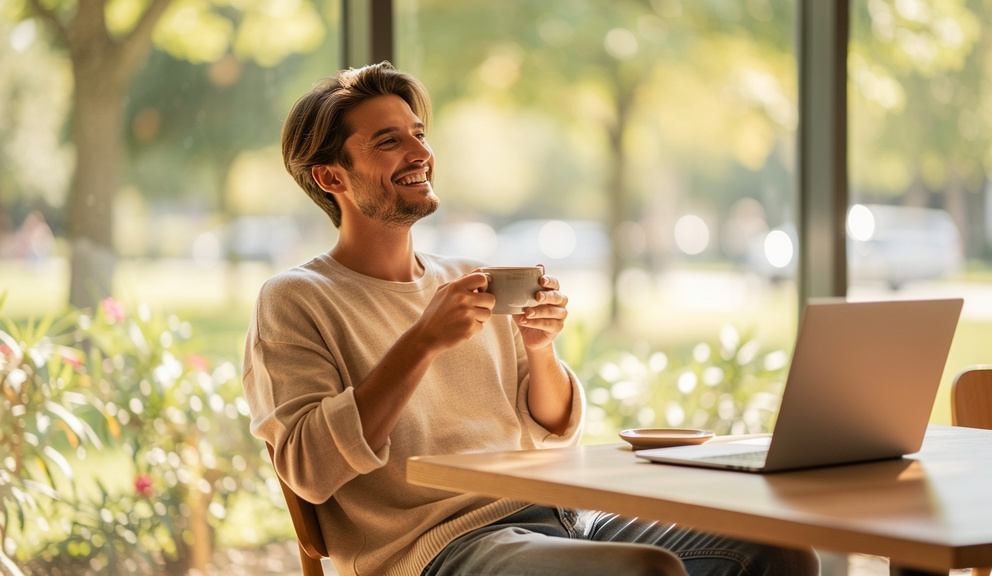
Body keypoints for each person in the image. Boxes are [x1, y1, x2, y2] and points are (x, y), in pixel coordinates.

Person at [242, 61, 818, 576]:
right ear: (331, 177)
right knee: (645, 570)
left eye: (419, 134)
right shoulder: (297, 299)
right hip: (435, 548)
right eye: (389, 141)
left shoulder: (469, 277)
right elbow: (308, 469)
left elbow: (551, 430)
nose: (420, 153)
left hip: (561, 515)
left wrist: (541, 348)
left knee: (779, 551)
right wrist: (421, 342)